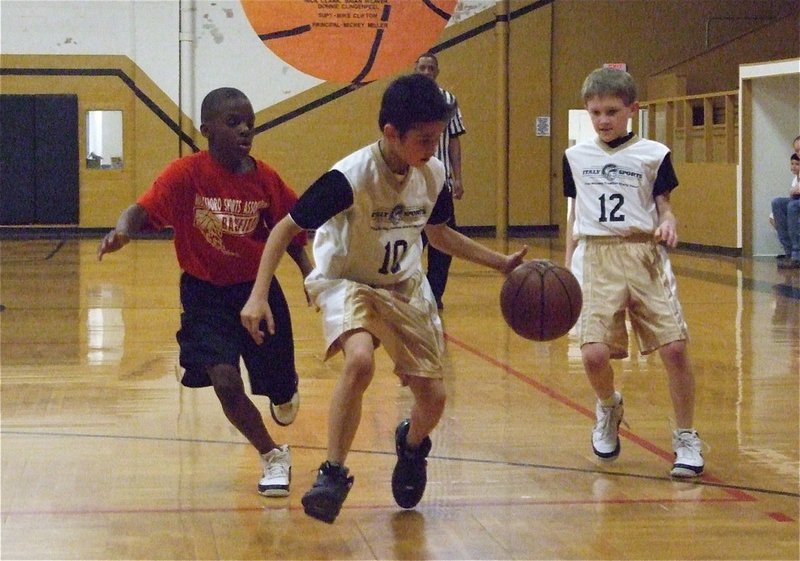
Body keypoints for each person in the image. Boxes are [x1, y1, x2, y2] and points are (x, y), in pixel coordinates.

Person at [241, 73, 527, 523]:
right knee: (359, 361)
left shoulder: (432, 174)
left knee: (433, 399)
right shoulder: (349, 177)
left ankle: (411, 448)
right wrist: (258, 295)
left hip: (402, 285)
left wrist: (499, 263)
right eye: (424, 139)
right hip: (347, 281)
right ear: (390, 133)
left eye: (437, 138)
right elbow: (284, 229)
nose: (433, 149)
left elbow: (439, 235)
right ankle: (333, 473)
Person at [97, 87, 313, 497]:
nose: (245, 129)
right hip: (204, 294)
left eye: (250, 121)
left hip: (258, 290)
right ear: (207, 130)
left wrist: (308, 273)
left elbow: (293, 230)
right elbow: (141, 209)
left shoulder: (265, 179)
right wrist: (122, 232)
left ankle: (282, 391)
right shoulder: (185, 174)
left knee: (281, 391)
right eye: (233, 123)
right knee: (226, 381)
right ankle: (271, 455)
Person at [563, 67, 704, 478]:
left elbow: (664, 205)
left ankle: (685, 436)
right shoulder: (575, 157)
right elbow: (573, 217)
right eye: (595, 112)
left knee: (674, 348)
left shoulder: (654, 154)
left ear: (632, 110)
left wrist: (670, 222)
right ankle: (608, 406)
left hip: (643, 252)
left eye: (611, 111)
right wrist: (567, 268)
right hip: (595, 256)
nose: (603, 120)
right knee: (592, 354)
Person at [414, 52, 467, 310]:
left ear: (436, 72)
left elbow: (455, 139)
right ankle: (411, 292)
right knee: (414, 241)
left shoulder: (448, 101)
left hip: (441, 183)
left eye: (430, 67)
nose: (426, 71)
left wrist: (458, 177)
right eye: (422, 67)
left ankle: (434, 294)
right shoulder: (406, 100)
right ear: (416, 70)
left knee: (444, 244)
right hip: (411, 183)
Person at [771, 153, 800, 269]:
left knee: (792, 207)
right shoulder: (795, 179)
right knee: (777, 203)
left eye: (797, 164)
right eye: (792, 164)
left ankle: (796, 254)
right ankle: (789, 251)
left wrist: (794, 191)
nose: (794, 167)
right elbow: (793, 193)